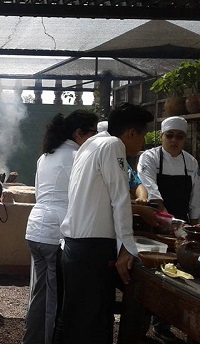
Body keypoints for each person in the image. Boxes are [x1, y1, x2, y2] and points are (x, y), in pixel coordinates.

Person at [57, 103, 154, 344]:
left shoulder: (91, 144)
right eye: (142, 136)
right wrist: (127, 248)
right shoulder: (112, 145)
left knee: (74, 321)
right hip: (92, 249)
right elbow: (120, 198)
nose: (143, 143)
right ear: (131, 133)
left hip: (74, 247)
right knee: (93, 323)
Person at [23, 110, 99, 344]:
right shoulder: (78, 156)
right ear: (79, 133)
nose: (94, 139)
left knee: (40, 294)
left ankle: (31, 340)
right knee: (54, 301)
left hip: (35, 229)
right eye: (92, 133)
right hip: (56, 233)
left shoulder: (46, 156)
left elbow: (39, 193)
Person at [136, 115, 200, 342]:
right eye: (170, 136)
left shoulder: (190, 162)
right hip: (155, 223)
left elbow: (195, 197)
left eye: (179, 137)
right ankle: (147, 325)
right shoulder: (149, 157)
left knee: (181, 276)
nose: (174, 141)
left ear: (185, 139)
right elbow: (151, 191)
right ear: (161, 136)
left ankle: (170, 323)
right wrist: (168, 222)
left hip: (182, 227)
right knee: (153, 277)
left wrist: (192, 226)